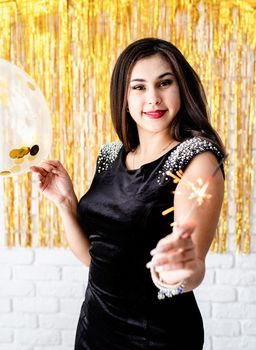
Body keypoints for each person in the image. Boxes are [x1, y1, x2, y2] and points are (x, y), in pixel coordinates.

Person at [30, 37, 225, 349]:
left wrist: (176, 272)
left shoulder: (197, 159)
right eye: (139, 87)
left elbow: (192, 272)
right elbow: (97, 261)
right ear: (124, 96)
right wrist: (66, 202)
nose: (153, 98)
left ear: (181, 87)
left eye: (164, 83)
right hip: (95, 328)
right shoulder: (110, 155)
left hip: (154, 337)